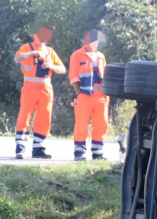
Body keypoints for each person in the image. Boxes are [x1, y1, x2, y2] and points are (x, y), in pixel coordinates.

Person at [13, 26, 66, 159]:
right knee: (24, 117)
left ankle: (38, 149)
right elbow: (17, 58)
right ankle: (20, 148)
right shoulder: (26, 47)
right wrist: (33, 54)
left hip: (46, 89)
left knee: (44, 118)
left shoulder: (50, 51)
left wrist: (51, 66)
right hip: (29, 88)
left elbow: (63, 69)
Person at [68, 30, 109, 161]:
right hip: (85, 95)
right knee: (81, 124)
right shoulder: (77, 55)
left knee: (101, 124)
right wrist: (80, 95)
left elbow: (105, 76)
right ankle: (79, 153)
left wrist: (106, 95)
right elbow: (74, 77)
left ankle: (98, 153)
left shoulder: (101, 56)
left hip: (101, 95)